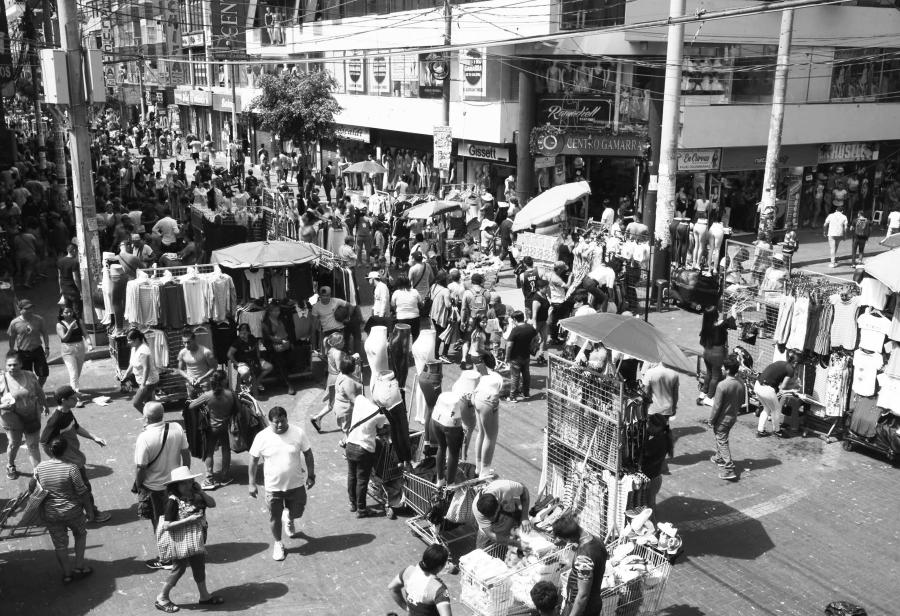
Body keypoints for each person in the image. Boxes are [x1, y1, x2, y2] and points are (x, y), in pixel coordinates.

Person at [248, 406, 316, 561]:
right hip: (273, 488)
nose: (280, 425)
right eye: (276, 423)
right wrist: (251, 483)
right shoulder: (261, 437)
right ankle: (278, 543)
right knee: (274, 517)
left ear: (287, 419)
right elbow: (253, 460)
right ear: (269, 422)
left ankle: (290, 518)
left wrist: (311, 475)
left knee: (298, 511)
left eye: (283, 421)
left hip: (296, 485)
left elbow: (308, 453)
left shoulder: (298, 432)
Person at [155, 466, 223, 612]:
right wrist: (189, 520)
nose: (187, 486)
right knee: (179, 569)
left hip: (196, 539)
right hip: (181, 541)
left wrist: (201, 491)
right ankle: (162, 597)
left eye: (189, 482)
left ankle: (204, 596)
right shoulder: (172, 501)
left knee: (199, 566)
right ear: (176, 486)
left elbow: (212, 504)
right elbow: (167, 526)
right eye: (183, 483)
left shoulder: (196, 495)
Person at [133, 401, 191, 570]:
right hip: (175, 484)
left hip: (155, 488)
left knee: (160, 523)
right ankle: (179, 549)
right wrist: (184, 475)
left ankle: (166, 559)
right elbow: (186, 454)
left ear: (145, 417)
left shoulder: (144, 438)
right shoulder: (176, 428)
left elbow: (140, 467)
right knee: (175, 517)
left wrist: (139, 485)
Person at [40, 385, 110, 522]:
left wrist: (94, 437)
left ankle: (83, 514)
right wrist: (58, 461)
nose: (76, 399)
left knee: (80, 490)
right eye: (73, 398)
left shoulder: (68, 412)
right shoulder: (55, 419)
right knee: (84, 489)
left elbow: (76, 427)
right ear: (63, 400)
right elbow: (43, 442)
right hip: (71, 462)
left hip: (75, 458)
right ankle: (93, 515)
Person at [34, 438, 94, 584]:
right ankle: (79, 567)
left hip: (52, 514)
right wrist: (90, 511)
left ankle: (67, 574)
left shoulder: (40, 467)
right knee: (80, 535)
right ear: (66, 451)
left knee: (60, 545)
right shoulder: (71, 468)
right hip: (73, 512)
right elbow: (83, 492)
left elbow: (33, 487)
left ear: (50, 451)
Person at [1, 350, 47, 479]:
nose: (12, 368)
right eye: (9, 365)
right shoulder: (1, 379)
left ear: (21, 364)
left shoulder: (30, 375)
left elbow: (39, 391)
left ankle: (38, 473)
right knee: (13, 444)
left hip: (31, 416)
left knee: (33, 445)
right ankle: (10, 465)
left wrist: (45, 404)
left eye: (15, 364)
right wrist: (2, 406)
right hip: (11, 419)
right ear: (5, 365)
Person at [187, 371, 236, 490]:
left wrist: (205, 406)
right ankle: (225, 477)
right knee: (226, 449)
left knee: (209, 452)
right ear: (224, 381)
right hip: (225, 426)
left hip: (211, 428)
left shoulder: (207, 395)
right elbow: (236, 408)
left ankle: (209, 479)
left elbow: (191, 406)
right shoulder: (230, 394)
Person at [551, 515, 608, 616]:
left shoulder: (584, 559)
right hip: (594, 602)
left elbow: (582, 596)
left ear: (568, 538)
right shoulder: (597, 540)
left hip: (582, 609)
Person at [345, 394, 389, 517]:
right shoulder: (380, 414)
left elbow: (355, 397)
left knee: (351, 476)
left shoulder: (359, 400)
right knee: (362, 480)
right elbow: (381, 429)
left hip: (350, 444)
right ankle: (361, 509)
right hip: (364, 449)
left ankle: (353, 504)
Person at [387, 544, 452, 616]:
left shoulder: (408, 571)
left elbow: (392, 587)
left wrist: (406, 608)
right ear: (440, 567)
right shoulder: (439, 589)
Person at [707, 355, 744, 481]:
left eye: (724, 367)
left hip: (722, 419)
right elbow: (741, 401)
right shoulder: (741, 383)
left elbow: (716, 406)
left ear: (728, 370)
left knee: (722, 440)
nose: (722, 368)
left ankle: (729, 468)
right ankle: (719, 457)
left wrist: (711, 420)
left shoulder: (722, 385)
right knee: (722, 437)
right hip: (732, 417)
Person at [474, 479, 531, 548]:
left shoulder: (506, 487)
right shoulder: (476, 510)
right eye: (489, 518)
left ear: (498, 505)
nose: (492, 519)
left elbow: (524, 490)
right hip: (488, 530)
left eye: (493, 516)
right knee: (481, 551)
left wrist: (524, 517)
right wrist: (517, 544)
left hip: (509, 520)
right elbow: (490, 534)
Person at [310, 332, 349, 433]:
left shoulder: (330, 349)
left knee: (333, 402)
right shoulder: (338, 353)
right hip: (337, 379)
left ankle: (318, 418)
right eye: (342, 341)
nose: (344, 342)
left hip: (331, 377)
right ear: (337, 343)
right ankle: (319, 418)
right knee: (339, 402)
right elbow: (340, 368)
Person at [754, 351, 800, 438]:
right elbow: (783, 386)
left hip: (757, 385)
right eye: (799, 365)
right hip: (767, 389)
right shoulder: (791, 369)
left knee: (767, 408)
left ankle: (760, 430)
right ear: (796, 363)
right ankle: (777, 431)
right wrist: (795, 386)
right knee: (776, 409)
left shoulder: (781, 363)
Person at [698, 305, 736, 406]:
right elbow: (733, 320)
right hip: (717, 354)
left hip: (707, 353)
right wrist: (734, 309)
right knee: (716, 376)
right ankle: (709, 398)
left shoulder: (706, 326)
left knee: (709, 373)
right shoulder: (720, 324)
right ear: (715, 315)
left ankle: (703, 393)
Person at [7, 298, 51, 387]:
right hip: (23, 353)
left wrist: (47, 347)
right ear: (20, 310)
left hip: (37, 350)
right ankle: (31, 391)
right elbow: (12, 338)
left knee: (43, 374)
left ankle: (38, 389)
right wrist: (12, 350)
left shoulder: (39, 319)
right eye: (26, 309)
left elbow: (45, 333)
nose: (30, 310)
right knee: (26, 376)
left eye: (31, 308)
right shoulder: (14, 323)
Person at [228, 323, 275, 396]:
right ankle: (247, 384)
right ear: (239, 332)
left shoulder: (251, 337)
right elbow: (229, 354)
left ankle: (257, 382)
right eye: (242, 330)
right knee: (245, 372)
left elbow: (256, 346)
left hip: (255, 360)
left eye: (246, 330)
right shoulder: (237, 342)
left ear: (249, 331)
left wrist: (259, 356)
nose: (244, 332)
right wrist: (236, 363)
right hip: (243, 363)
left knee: (269, 367)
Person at [121, 328, 160, 413]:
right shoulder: (134, 348)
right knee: (149, 403)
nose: (128, 342)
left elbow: (146, 368)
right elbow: (132, 363)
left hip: (149, 382)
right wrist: (126, 374)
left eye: (130, 340)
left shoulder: (143, 350)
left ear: (137, 340)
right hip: (141, 380)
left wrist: (142, 385)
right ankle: (154, 420)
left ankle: (150, 418)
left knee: (136, 403)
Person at [262, 302, 297, 395]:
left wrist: (288, 341)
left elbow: (288, 331)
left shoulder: (281, 319)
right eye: (275, 311)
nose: (278, 312)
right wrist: (280, 341)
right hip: (274, 346)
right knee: (281, 362)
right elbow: (268, 337)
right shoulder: (266, 323)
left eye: (278, 310)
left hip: (285, 343)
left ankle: (283, 380)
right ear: (270, 312)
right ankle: (289, 384)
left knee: (291, 360)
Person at [640, 414, 672, 512]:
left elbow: (642, 453)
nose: (648, 428)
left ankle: (653, 525)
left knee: (647, 508)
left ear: (657, 427)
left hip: (650, 479)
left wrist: (645, 436)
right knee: (650, 504)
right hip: (656, 477)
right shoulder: (665, 437)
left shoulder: (655, 443)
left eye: (650, 426)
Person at [56, 306, 88, 402]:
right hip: (67, 350)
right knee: (73, 373)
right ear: (62, 314)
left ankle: (70, 391)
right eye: (66, 312)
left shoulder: (79, 321)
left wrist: (89, 343)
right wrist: (70, 329)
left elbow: (85, 333)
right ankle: (76, 397)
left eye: (70, 311)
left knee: (77, 373)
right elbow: (64, 338)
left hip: (80, 348)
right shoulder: (59, 325)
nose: (69, 314)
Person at [176, 328, 217, 399]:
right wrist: (188, 377)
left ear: (194, 340)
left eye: (188, 342)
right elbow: (180, 370)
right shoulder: (182, 353)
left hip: (204, 384)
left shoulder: (206, 352)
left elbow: (213, 368)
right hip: (190, 384)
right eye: (184, 342)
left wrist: (201, 378)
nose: (186, 345)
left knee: (208, 407)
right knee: (192, 406)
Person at [505, 311, 537, 402]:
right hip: (526, 356)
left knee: (515, 377)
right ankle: (526, 393)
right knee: (526, 375)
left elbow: (509, 345)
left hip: (515, 357)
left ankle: (512, 397)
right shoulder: (530, 328)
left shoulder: (515, 330)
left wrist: (507, 357)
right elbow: (537, 338)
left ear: (515, 319)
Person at [310, 286, 349, 351]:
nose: (325, 297)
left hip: (339, 329)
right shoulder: (316, 307)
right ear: (319, 296)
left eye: (327, 295)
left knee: (340, 351)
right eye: (323, 295)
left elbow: (350, 306)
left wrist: (347, 317)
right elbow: (314, 325)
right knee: (328, 350)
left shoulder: (336, 301)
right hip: (327, 332)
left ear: (330, 295)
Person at [430, 271, 452, 360]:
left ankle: (435, 353)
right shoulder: (445, 290)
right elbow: (448, 305)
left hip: (433, 313)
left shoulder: (433, 286)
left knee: (438, 333)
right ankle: (443, 354)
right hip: (441, 315)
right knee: (445, 334)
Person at [391, 275, 422, 340]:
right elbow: (420, 303)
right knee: (415, 337)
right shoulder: (415, 291)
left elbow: (393, 305)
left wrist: (397, 312)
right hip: (415, 317)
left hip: (401, 318)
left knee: (403, 338)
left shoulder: (396, 293)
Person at [529, 279, 551, 365]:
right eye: (546, 287)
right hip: (537, 323)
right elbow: (534, 315)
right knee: (531, 341)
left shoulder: (544, 295)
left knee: (544, 339)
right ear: (540, 288)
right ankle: (525, 356)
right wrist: (534, 327)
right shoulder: (536, 300)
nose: (547, 289)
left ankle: (540, 356)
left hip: (544, 322)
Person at [57, 243, 82, 315]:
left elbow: (59, 276)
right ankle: (77, 325)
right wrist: (80, 291)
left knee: (68, 310)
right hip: (73, 290)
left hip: (65, 289)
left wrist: (60, 288)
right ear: (74, 250)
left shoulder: (60, 261)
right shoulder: (74, 262)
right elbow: (75, 278)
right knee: (77, 312)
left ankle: (68, 324)